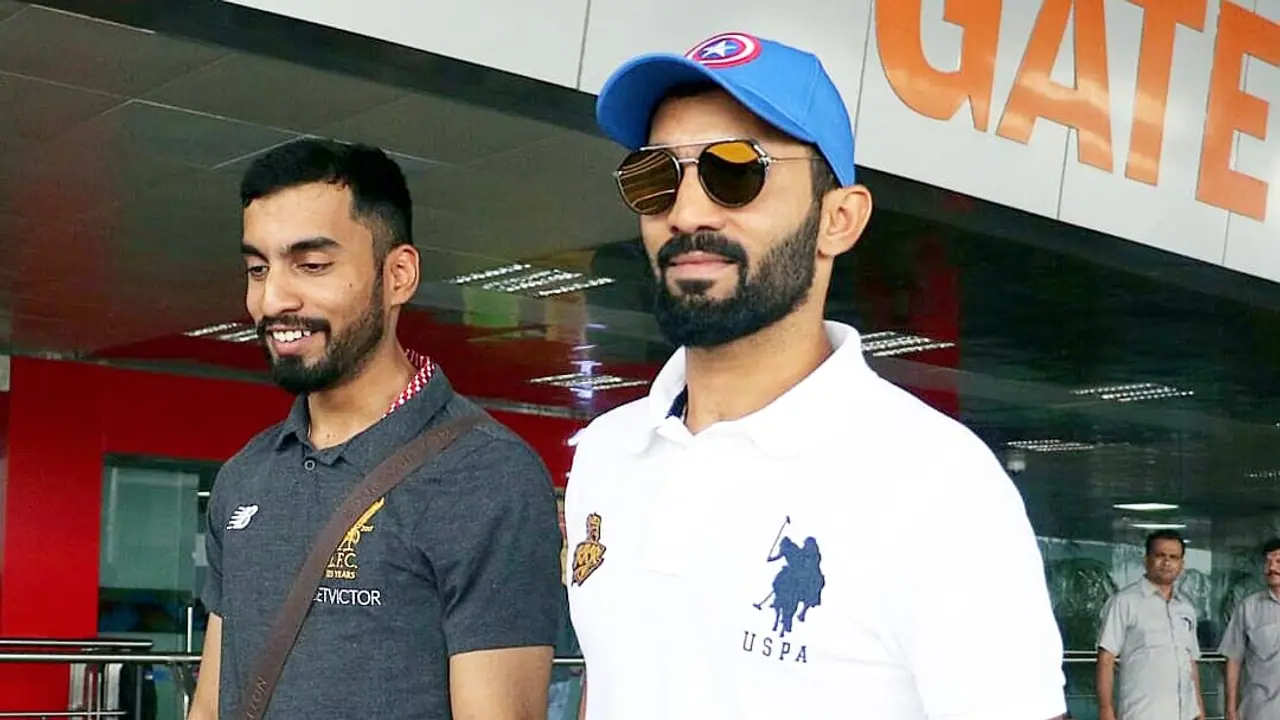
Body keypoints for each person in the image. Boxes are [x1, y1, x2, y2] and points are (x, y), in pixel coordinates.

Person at [562, 32, 1067, 720]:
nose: (685, 213)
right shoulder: (607, 454)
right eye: (655, 177)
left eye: (735, 171)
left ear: (839, 219)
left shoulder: (939, 486)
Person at [188, 138, 563, 720]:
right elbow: (213, 704)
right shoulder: (245, 477)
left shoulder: (487, 476)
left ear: (398, 275)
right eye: (258, 269)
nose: (272, 298)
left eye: (312, 265)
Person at [1096, 530, 1204, 720]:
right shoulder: (1125, 601)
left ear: (1182, 564)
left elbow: (1191, 664)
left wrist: (1200, 713)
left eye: (1173, 557)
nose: (1167, 562)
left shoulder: (1186, 608)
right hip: (1142, 713)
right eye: (1160, 555)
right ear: (1146, 560)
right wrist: (1106, 711)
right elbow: (1106, 658)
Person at [1220, 537, 1280, 720]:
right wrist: (1230, 709)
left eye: (1278, 561)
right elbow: (1233, 658)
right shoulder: (1249, 607)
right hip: (1260, 711)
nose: (1272, 568)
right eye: (1267, 562)